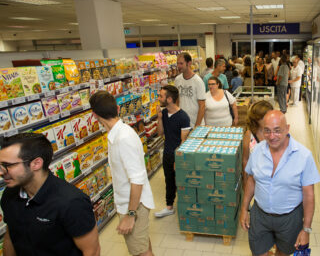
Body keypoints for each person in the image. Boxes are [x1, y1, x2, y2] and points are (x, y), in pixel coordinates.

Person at [0, 133, 100, 256]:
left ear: (36, 164)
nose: (1, 171)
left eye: (7, 165)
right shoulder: (9, 194)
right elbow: (11, 236)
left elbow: (92, 251)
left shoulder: (72, 202)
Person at [240, 110, 320, 256]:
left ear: (287, 128)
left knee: (283, 252)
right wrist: (244, 209)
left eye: (277, 131)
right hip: (260, 215)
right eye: (267, 131)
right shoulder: (257, 151)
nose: (272, 136)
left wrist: (306, 229)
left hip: (289, 218)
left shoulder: (304, 156)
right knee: (258, 252)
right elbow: (252, 180)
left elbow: (309, 195)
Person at [89, 91, 155, 256]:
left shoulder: (123, 138)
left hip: (134, 204)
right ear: (118, 109)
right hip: (131, 202)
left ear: (94, 115)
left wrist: (130, 215)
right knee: (143, 245)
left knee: (140, 251)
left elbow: (137, 180)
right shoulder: (117, 134)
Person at [154, 85, 191, 218]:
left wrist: (178, 159)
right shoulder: (164, 113)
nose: (159, 98)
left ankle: (186, 205)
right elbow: (160, 133)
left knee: (180, 181)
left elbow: (184, 141)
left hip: (178, 155)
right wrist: (159, 118)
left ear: (169, 99)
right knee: (168, 180)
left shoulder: (183, 117)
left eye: (161, 96)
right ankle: (169, 207)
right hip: (167, 153)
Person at [242, 100, 273, 185]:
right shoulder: (249, 135)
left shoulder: (275, 134)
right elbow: (245, 160)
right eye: (263, 117)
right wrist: (245, 181)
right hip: (255, 181)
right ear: (256, 118)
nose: (268, 120)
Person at [175, 52, 206, 127]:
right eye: (178, 63)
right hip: (182, 123)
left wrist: (197, 126)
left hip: (195, 123)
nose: (179, 66)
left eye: (181, 63)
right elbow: (177, 101)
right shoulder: (177, 80)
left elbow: (202, 105)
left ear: (189, 63)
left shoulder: (198, 81)